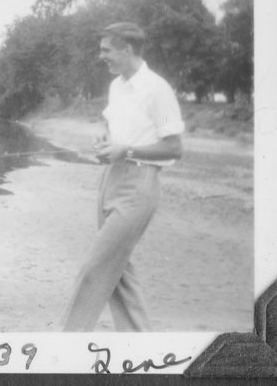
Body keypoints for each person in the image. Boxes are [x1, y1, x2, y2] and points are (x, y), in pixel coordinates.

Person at [62, 22, 184, 332]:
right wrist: (105, 140)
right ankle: (140, 344)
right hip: (110, 179)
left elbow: (174, 148)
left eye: (105, 50)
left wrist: (125, 151)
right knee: (119, 272)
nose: (100, 55)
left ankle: (66, 344)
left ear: (126, 50)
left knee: (96, 268)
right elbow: (111, 126)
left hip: (139, 186)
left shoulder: (158, 89)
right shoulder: (116, 85)